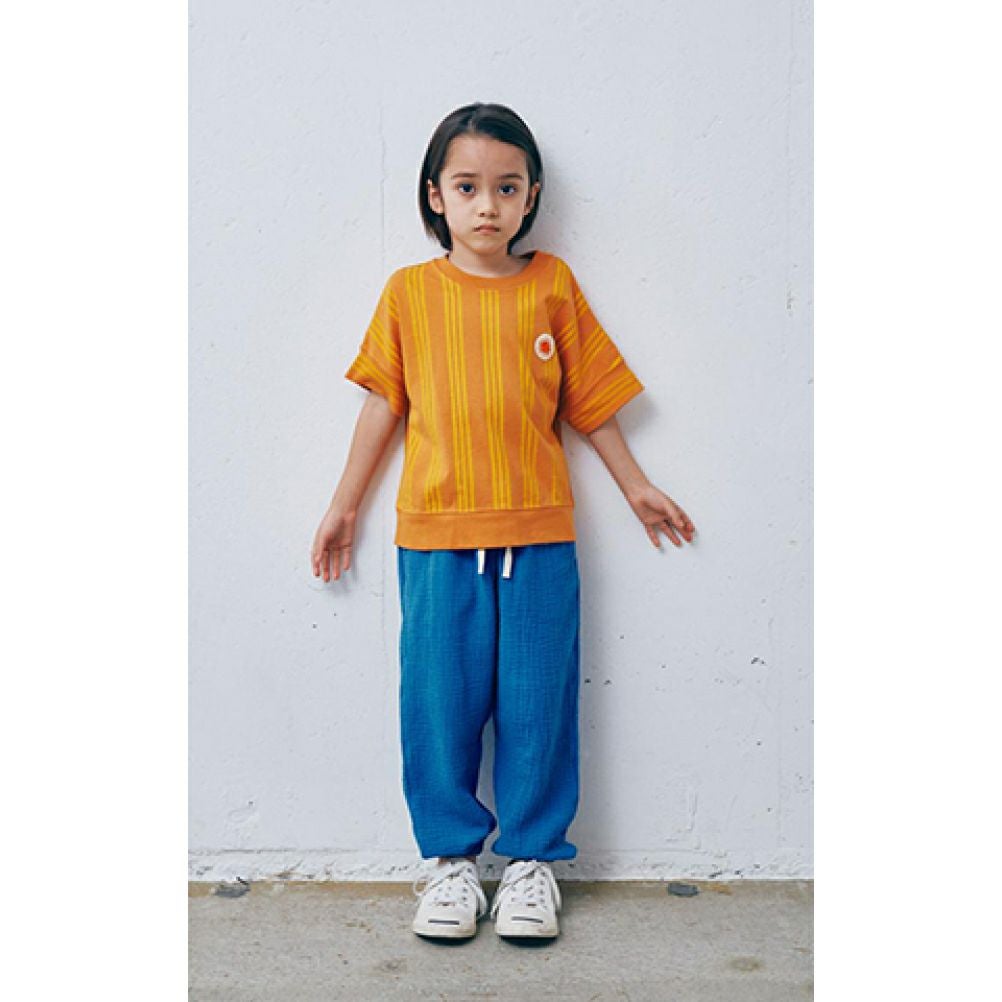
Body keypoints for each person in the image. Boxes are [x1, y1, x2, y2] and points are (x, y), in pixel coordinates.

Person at [311, 102, 696, 941]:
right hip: (436, 539)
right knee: (438, 702)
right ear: (435, 195)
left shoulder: (551, 284)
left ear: (531, 196)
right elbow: (382, 405)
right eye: (467, 186)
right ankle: (451, 866)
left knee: (537, 701)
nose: (488, 205)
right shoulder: (409, 294)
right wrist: (344, 505)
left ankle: (529, 865)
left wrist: (635, 486)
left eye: (507, 187)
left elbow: (588, 402)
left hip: (539, 538)